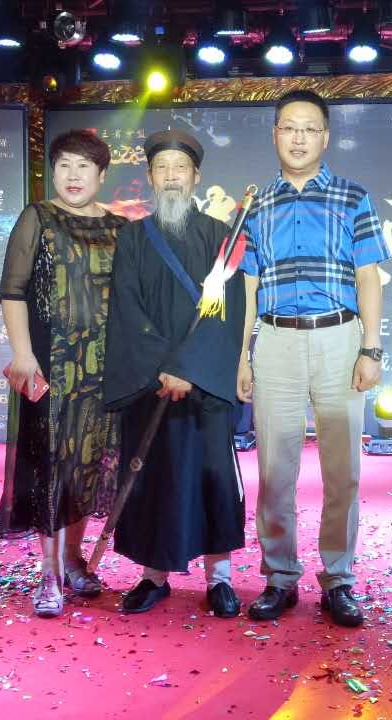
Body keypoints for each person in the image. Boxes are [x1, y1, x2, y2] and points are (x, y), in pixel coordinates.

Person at [237, 90, 389, 628]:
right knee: (275, 471)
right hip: (275, 341)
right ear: (275, 135)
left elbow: (368, 275)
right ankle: (280, 577)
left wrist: (371, 347)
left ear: (325, 137)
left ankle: (339, 579)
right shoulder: (255, 205)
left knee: (342, 471)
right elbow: (249, 285)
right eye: (288, 127)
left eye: (309, 128)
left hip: (338, 339)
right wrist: (243, 355)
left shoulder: (353, 197)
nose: (298, 138)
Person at [103, 129, 247, 618]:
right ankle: (153, 576)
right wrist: (162, 369)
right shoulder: (132, 237)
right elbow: (127, 310)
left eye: (180, 168)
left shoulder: (221, 237)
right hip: (150, 382)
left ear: (196, 176)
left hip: (203, 385)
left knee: (213, 478)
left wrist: (188, 370)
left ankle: (219, 578)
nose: (171, 177)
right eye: (161, 168)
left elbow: (227, 313)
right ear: (150, 177)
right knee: (153, 477)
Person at [0, 130, 127, 618]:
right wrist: (22, 353)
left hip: (104, 369)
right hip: (51, 366)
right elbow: (13, 291)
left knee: (88, 464)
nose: (73, 175)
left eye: (83, 166)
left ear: (101, 175)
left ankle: (74, 559)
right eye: (64, 165)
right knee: (52, 464)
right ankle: (49, 574)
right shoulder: (38, 218)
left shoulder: (120, 228)